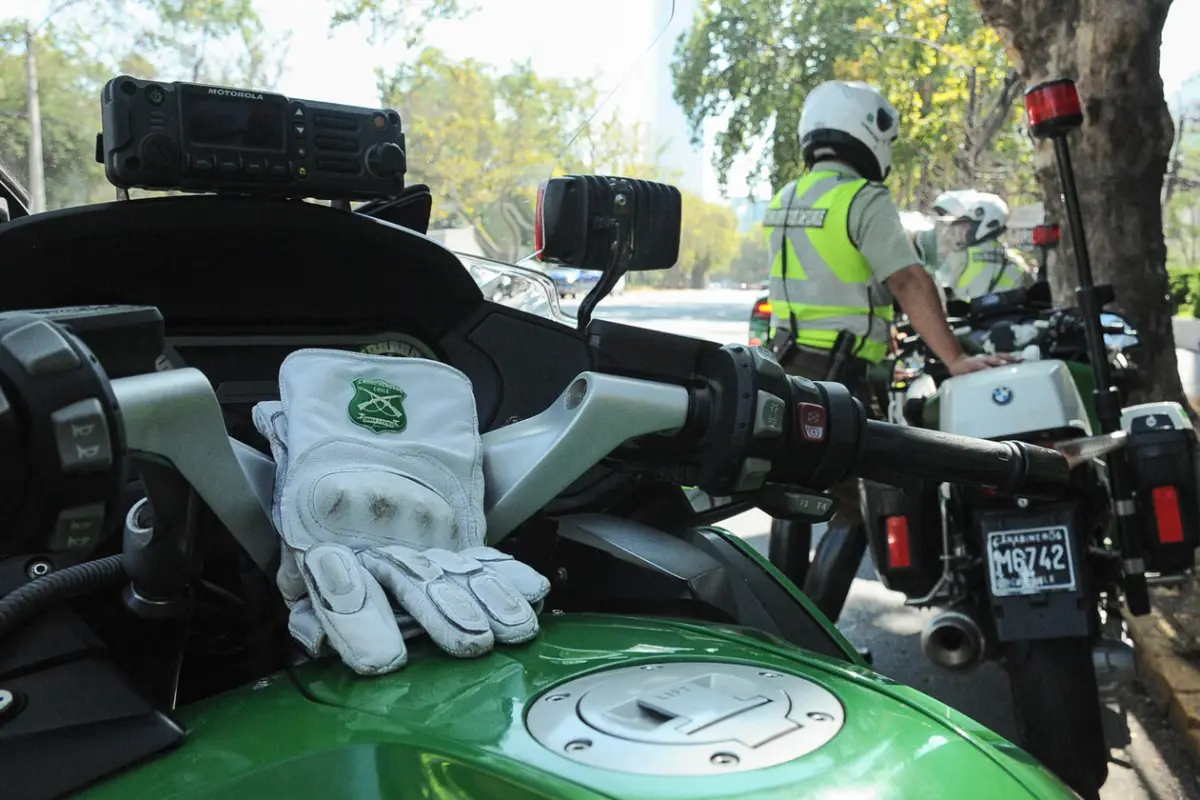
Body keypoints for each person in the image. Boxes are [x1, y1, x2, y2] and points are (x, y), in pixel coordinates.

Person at [761, 80, 1015, 623]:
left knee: (791, 494)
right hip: (842, 378)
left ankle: (775, 629)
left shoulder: (786, 199)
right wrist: (956, 359)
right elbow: (908, 280)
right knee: (853, 507)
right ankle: (812, 637)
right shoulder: (862, 198)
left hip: (785, 369)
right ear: (865, 133)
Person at [942, 192, 1036, 300]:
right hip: (1011, 315)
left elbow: (940, 292)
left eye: (965, 226)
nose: (960, 233)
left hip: (971, 315)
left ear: (986, 224)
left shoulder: (961, 257)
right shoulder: (1017, 260)